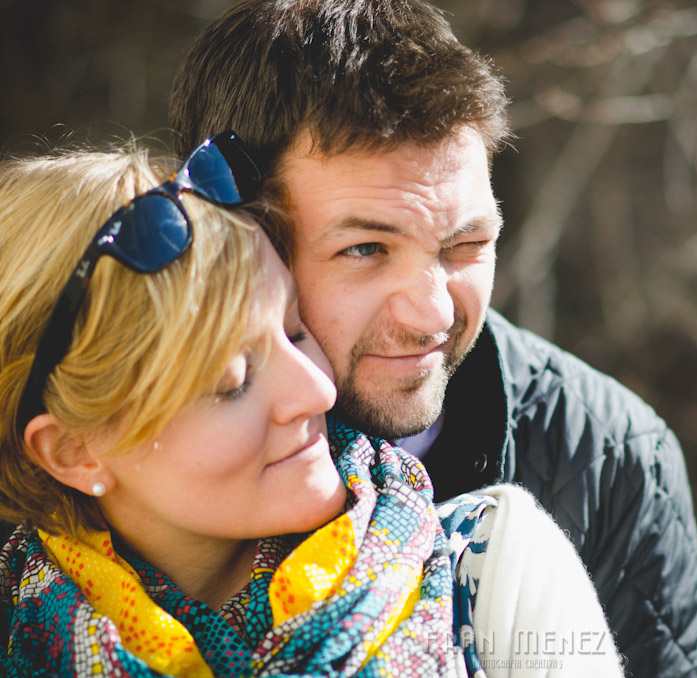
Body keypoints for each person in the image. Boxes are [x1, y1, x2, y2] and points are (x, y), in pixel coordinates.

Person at [168, 1, 697, 676]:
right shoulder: (114, 428)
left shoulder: (607, 456)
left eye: (466, 245)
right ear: (233, 230)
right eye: (366, 248)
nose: (430, 315)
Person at [0, 138, 622, 676]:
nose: (318, 391)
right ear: (74, 450)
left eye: (297, 331)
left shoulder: (493, 580)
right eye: (232, 381)